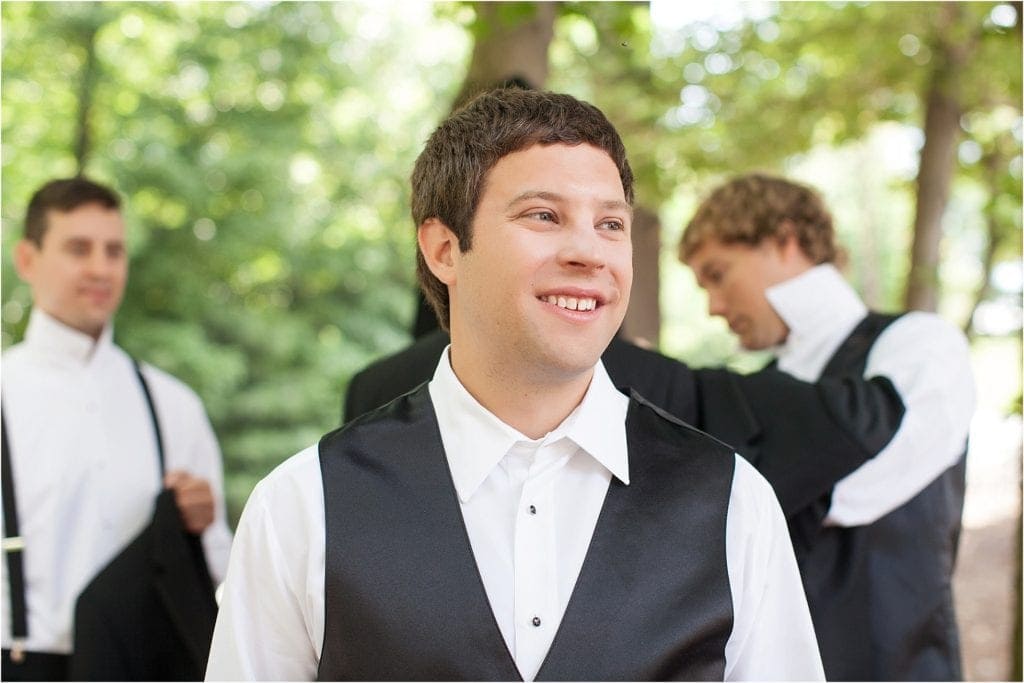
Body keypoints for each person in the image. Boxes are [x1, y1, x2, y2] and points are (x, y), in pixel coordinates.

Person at [206, 89, 824, 681]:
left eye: (611, 224)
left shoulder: (734, 503)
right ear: (445, 249)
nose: (590, 251)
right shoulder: (302, 505)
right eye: (544, 215)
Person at [680, 172, 975, 681]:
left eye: (718, 274)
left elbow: (846, 483)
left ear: (783, 241)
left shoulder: (918, 344)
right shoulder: (763, 390)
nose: (714, 307)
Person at [1, 177, 233, 681]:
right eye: (78, 249)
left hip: (140, 666)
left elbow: (219, 571)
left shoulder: (173, 406)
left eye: (114, 251)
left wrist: (199, 523)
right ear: (27, 260)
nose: (100, 269)